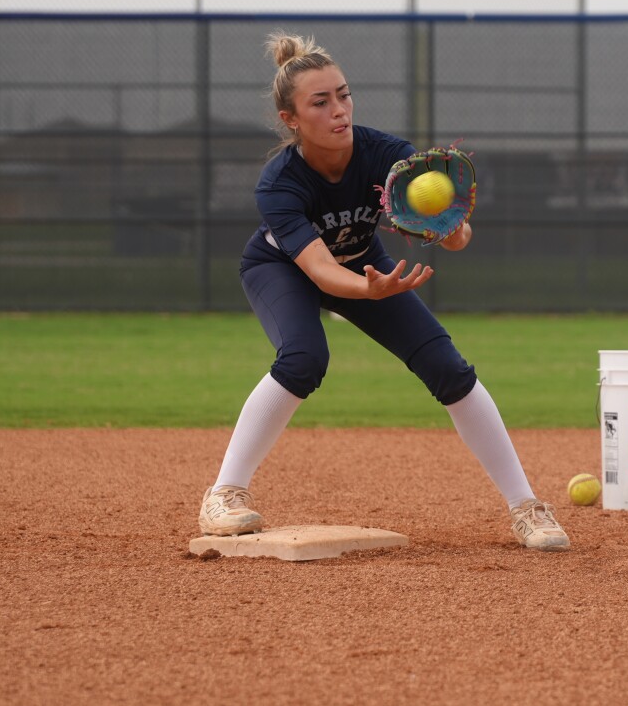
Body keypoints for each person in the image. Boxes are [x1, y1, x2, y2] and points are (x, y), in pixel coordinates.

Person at [197, 33, 570, 551]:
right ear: (290, 118)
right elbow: (320, 271)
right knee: (304, 357)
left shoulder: (388, 156)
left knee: (447, 367)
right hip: (281, 268)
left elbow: (456, 237)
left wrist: (450, 224)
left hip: (364, 262)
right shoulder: (279, 183)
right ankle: (224, 494)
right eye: (320, 102)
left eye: (344, 95)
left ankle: (527, 507)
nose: (339, 110)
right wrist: (369, 291)